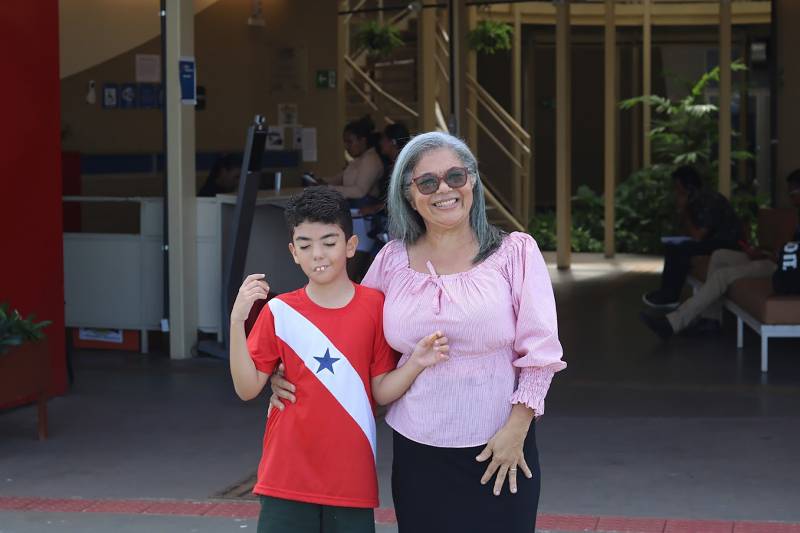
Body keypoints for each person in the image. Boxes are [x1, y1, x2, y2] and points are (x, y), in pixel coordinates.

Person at [269, 132, 566, 532]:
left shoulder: (514, 253)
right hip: (418, 450)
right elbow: (349, 329)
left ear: (473, 181)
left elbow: (541, 353)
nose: (444, 189)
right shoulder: (392, 260)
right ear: (409, 196)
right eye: (428, 182)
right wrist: (285, 372)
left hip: (500, 446)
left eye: (455, 177)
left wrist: (517, 428)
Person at [229, 186, 450, 533]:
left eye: (329, 243)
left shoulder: (375, 307)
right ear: (293, 252)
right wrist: (236, 321)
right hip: (285, 477)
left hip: (351, 481)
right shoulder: (279, 312)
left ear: (349, 246)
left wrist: (416, 363)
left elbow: (380, 390)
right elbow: (246, 388)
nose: (318, 254)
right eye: (305, 245)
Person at [641, 169, 800, 339]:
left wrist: (774, 255)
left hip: (779, 267)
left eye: (793, 192)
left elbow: (789, 256)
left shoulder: (707, 199)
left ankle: (672, 323)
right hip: (772, 259)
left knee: (722, 276)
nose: (790, 198)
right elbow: (787, 247)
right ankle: (711, 320)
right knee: (719, 255)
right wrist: (761, 251)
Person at [642, 166, 743, 309]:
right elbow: (689, 233)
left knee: (680, 250)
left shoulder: (708, 199)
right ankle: (666, 293)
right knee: (673, 246)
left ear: (688, 186)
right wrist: (683, 211)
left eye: (678, 187)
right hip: (712, 241)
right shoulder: (695, 200)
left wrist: (684, 210)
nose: (676, 191)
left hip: (728, 243)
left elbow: (697, 235)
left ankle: (670, 296)